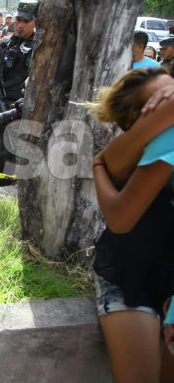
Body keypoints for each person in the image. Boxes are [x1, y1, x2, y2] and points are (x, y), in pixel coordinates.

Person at [89, 68, 174, 383]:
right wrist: (98, 164)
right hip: (130, 278)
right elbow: (121, 219)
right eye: (162, 98)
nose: (170, 97)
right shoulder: (139, 152)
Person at [0, 0, 37, 186]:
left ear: (35, 22)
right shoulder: (3, 44)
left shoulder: (39, 49)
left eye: (26, 21)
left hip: (17, 112)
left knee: (12, 159)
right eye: (18, 19)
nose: (20, 24)